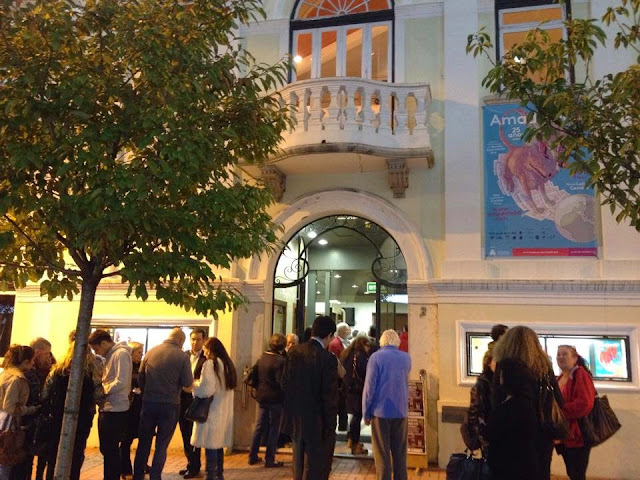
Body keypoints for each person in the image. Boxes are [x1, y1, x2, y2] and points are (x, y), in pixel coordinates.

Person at [492, 325, 563, 480]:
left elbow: (496, 400)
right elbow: (558, 399)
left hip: (511, 430)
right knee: (540, 471)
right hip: (542, 431)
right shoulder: (545, 367)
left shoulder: (505, 366)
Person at [281, 316, 339, 480]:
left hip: (296, 417)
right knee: (315, 466)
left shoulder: (294, 352)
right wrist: (331, 424)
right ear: (329, 335)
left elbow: (284, 383)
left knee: (298, 463)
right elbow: (329, 396)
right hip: (317, 420)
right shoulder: (327, 359)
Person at [133, 328, 193, 480]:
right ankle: (155, 476)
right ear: (180, 340)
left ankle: (138, 475)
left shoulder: (151, 352)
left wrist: (147, 392)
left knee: (144, 442)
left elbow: (141, 377)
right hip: (170, 405)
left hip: (149, 403)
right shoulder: (182, 356)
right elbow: (188, 383)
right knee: (161, 445)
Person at [40, 341, 100, 480]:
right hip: (82, 419)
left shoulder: (57, 371)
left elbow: (45, 394)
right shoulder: (91, 374)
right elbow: (98, 396)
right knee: (76, 454)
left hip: (57, 416)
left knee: (54, 454)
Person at [362, 329, 411, 480]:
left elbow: (369, 388)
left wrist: (366, 412)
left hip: (381, 411)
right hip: (401, 411)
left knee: (382, 453)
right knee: (400, 454)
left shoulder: (376, 358)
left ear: (382, 342)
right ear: (397, 341)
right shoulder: (406, 358)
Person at [88, 329, 133, 480]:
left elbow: (121, 381)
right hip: (109, 407)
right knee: (108, 449)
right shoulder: (112, 355)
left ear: (104, 343)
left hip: (115, 408)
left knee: (110, 449)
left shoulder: (120, 354)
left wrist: (102, 390)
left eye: (96, 349)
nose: (97, 353)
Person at [486, 357, 540, 480]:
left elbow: (493, 432)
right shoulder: (528, 402)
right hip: (525, 463)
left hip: (508, 465)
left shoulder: (508, 407)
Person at [191, 338, 237, 480]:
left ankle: (210, 475)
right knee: (218, 445)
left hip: (211, 411)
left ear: (210, 349)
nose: (204, 353)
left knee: (210, 444)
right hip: (223, 412)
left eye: (205, 349)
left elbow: (206, 390)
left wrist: (194, 386)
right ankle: (219, 475)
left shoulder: (211, 364)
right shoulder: (227, 365)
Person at [12, 338, 53, 480]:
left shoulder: (34, 371)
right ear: (37, 353)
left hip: (26, 423)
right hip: (25, 423)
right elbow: (35, 397)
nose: (49, 357)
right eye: (47, 353)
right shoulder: (29, 373)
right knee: (23, 462)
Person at [556, 345, 596, 480]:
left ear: (575, 358)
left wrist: (559, 412)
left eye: (564, 354)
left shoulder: (580, 374)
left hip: (577, 435)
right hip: (564, 435)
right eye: (558, 354)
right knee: (572, 472)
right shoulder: (560, 378)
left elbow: (584, 404)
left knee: (577, 473)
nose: (560, 357)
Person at [248, 333, 287, 468]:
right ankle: (270, 458)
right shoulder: (280, 361)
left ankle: (252, 455)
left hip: (262, 396)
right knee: (274, 428)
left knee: (259, 426)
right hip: (275, 398)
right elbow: (281, 381)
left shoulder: (263, 357)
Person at [0, 345, 38, 480]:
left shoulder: (4, 374)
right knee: (5, 462)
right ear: (25, 362)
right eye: (32, 360)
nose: (33, 363)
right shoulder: (17, 379)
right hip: (7, 427)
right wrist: (31, 409)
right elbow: (10, 407)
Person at [179, 328, 207, 479]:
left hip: (196, 399)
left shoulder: (206, 358)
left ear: (203, 340)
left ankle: (194, 466)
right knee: (185, 433)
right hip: (182, 399)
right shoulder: (184, 355)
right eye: (193, 339)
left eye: (198, 339)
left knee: (194, 434)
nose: (195, 342)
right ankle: (190, 462)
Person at [461, 341, 494, 453]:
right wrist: (481, 438)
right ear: (488, 363)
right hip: (487, 437)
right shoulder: (482, 385)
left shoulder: (502, 383)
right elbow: (474, 413)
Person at [340, 334, 370, 455]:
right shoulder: (360, 356)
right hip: (357, 390)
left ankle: (351, 440)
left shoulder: (346, 354)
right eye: (367, 345)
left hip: (348, 389)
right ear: (363, 344)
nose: (368, 348)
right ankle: (355, 444)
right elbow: (365, 372)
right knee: (357, 417)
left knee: (354, 416)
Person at [120, 341, 144, 480]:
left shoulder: (139, 366)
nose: (141, 355)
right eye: (139, 352)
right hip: (129, 408)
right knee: (126, 439)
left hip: (139, 407)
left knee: (142, 437)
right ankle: (125, 468)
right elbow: (135, 381)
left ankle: (141, 465)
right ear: (132, 352)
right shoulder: (127, 365)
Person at [328, 322, 350, 432]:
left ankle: (343, 425)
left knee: (342, 404)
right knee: (341, 403)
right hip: (338, 379)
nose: (348, 332)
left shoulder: (342, 342)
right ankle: (342, 425)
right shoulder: (335, 344)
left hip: (342, 377)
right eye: (346, 330)